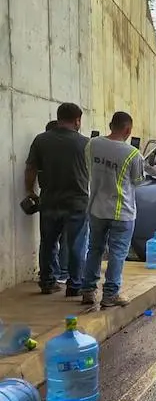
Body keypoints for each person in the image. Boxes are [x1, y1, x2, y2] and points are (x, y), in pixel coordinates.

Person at [81, 112, 145, 307]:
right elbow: (138, 181)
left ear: (110, 124)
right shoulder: (133, 154)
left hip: (96, 209)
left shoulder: (92, 144)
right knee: (117, 253)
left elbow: (88, 167)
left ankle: (88, 291)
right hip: (122, 212)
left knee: (94, 249)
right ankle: (110, 294)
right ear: (128, 130)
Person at [25, 103, 89, 295]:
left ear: (59, 117)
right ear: (77, 120)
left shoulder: (41, 140)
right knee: (76, 244)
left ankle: (47, 282)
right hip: (77, 202)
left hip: (49, 200)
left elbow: (31, 168)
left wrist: (30, 191)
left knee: (48, 242)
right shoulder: (85, 143)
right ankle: (75, 285)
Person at [40, 120, 69, 284]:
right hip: (67, 202)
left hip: (48, 201)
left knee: (48, 242)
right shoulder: (64, 153)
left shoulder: (43, 152)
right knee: (66, 240)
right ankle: (63, 274)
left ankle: (49, 277)